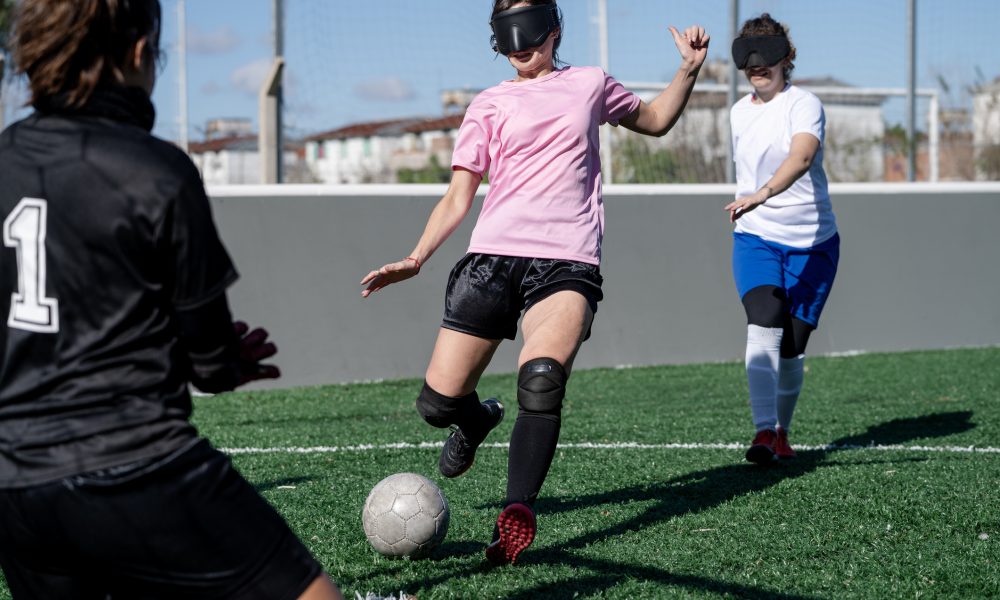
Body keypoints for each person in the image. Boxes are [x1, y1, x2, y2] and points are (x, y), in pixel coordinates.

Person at [0, 1, 343, 598]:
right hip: (138, 463)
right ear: (138, 52)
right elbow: (210, 361)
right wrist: (221, 360)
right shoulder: (158, 171)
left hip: (12, 487)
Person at [361, 0, 708, 565]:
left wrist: (687, 71)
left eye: (531, 35)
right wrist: (416, 258)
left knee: (542, 382)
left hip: (567, 261)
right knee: (436, 405)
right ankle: (474, 419)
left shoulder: (591, 84)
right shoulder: (489, 103)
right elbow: (459, 194)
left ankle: (514, 514)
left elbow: (656, 121)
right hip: (492, 260)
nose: (522, 48)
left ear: (555, 30)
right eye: (509, 39)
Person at [724, 13, 839, 466]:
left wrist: (765, 192)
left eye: (766, 53)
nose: (757, 64)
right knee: (764, 317)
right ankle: (763, 430)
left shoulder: (804, 104)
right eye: (748, 55)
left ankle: (783, 432)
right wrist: (753, 204)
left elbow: (802, 154)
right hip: (756, 235)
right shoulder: (736, 112)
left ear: (786, 57)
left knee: (792, 346)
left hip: (814, 242)